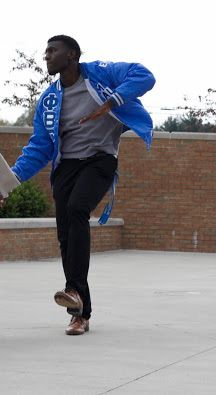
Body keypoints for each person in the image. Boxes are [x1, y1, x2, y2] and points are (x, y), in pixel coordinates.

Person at [7, 35, 155, 335]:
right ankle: (79, 311)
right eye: (45, 51)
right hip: (67, 167)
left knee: (77, 210)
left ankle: (72, 290)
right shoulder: (49, 99)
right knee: (66, 236)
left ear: (71, 54)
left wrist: (113, 100)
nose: (46, 56)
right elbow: (38, 147)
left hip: (100, 160)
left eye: (52, 50)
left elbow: (144, 75)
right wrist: (6, 183)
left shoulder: (101, 72)